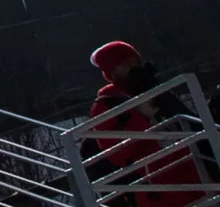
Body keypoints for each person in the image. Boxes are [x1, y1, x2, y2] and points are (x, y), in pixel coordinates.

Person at [83, 40, 206, 207]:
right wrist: (142, 117)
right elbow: (115, 153)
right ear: (111, 72)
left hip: (196, 176)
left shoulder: (153, 88)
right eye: (126, 64)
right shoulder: (107, 104)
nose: (134, 68)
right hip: (158, 190)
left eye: (135, 62)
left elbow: (194, 125)